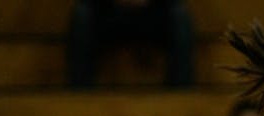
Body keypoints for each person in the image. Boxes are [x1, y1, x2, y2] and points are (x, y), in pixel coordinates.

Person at [65, 0, 194, 88]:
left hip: (152, 13)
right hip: (109, 13)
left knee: (179, 15)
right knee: (82, 14)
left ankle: (182, 97)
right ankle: (80, 96)